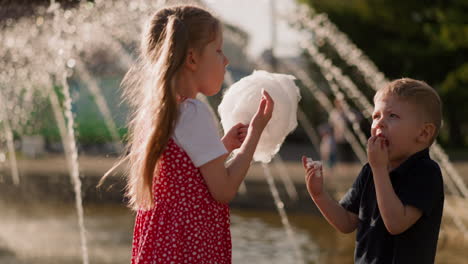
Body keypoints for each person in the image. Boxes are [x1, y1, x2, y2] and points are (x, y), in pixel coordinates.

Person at [101, 5, 274, 263]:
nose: (225, 60)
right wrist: (255, 134)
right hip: (190, 247)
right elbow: (224, 189)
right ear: (192, 59)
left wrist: (224, 146)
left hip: (163, 245)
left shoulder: (160, 111)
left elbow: (187, 172)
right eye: (217, 51)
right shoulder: (193, 112)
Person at [302, 78, 444, 263]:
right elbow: (346, 222)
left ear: (423, 133)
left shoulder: (426, 172)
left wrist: (379, 169)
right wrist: (319, 195)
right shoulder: (370, 170)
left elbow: (395, 223)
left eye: (392, 116)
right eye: (376, 116)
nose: (380, 123)